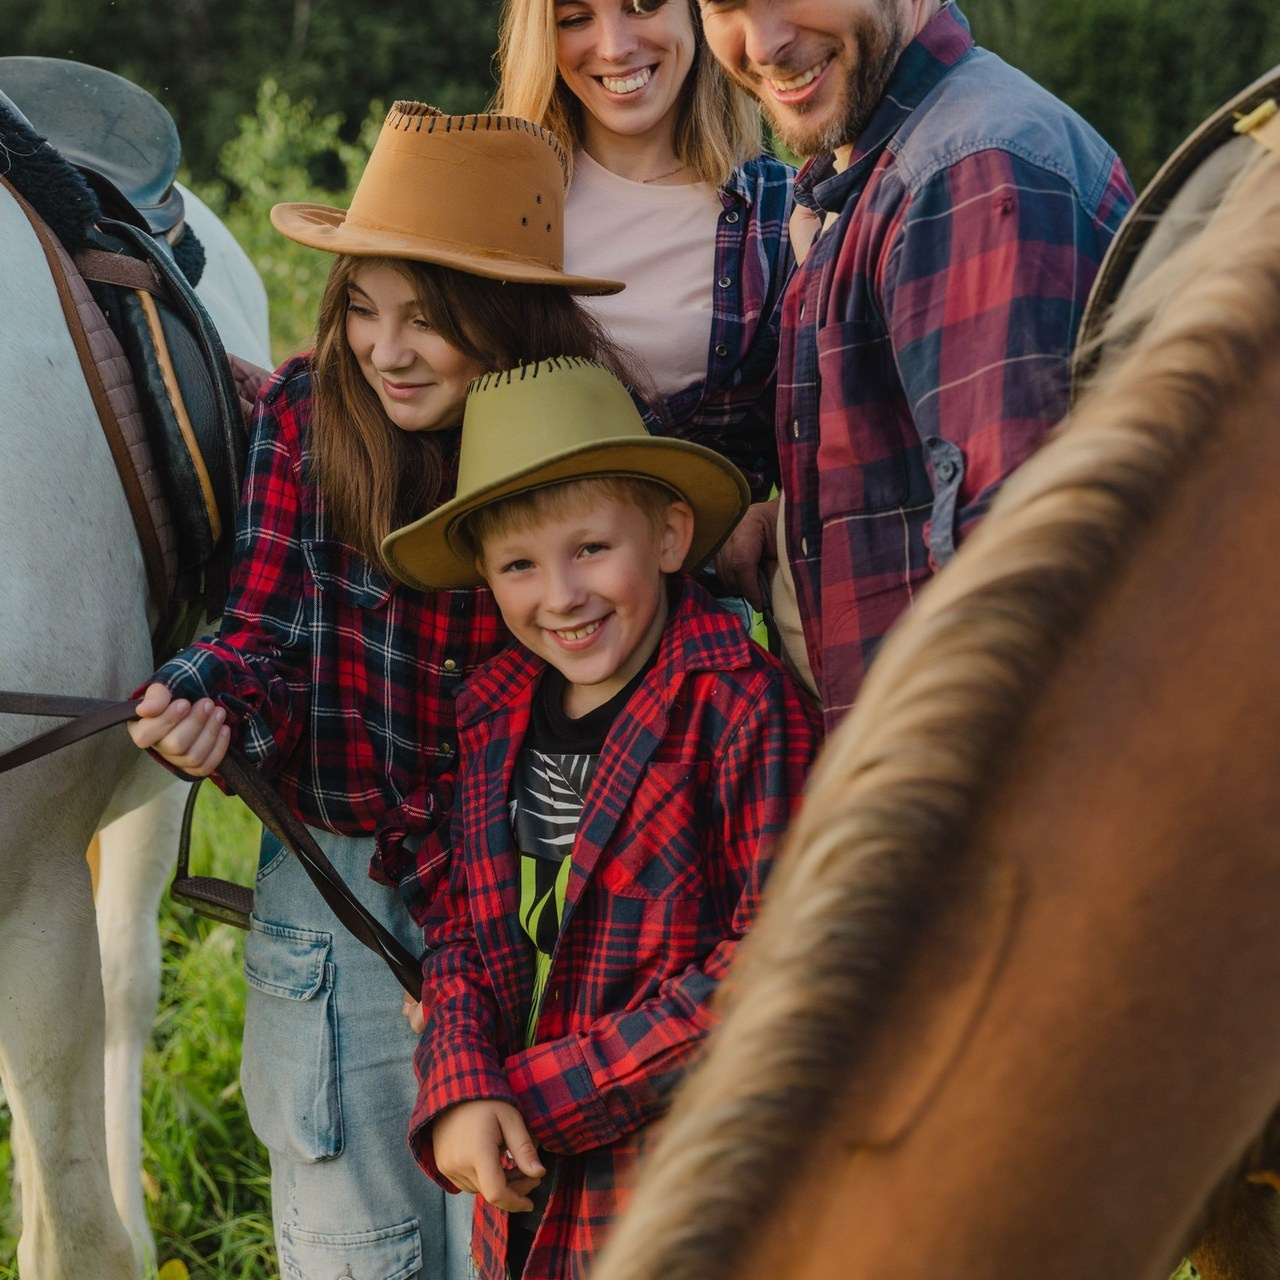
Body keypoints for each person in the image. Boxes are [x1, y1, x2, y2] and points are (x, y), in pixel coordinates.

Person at [127, 103, 636, 1280]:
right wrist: (209, 700)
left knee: (526, 1228)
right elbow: (263, 630)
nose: (385, 348)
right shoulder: (308, 414)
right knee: (356, 1240)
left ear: (505, 316)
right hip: (342, 885)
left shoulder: (577, 429)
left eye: (427, 318)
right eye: (363, 306)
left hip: (531, 882)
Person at [383, 357, 820, 1280]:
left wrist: (532, 1096)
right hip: (529, 1204)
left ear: (668, 536)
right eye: (519, 565)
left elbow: (773, 967)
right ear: (485, 577)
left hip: (686, 1186)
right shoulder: (490, 714)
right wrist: (461, 1083)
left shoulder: (738, 707)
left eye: (589, 549)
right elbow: (464, 932)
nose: (562, 596)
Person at [700, 0, 1136, 731]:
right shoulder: (879, 163)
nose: (764, 44)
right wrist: (795, 522)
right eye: (725, 5)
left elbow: (1012, 585)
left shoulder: (966, 177)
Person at [495, 0, 794, 502]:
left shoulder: (788, 213)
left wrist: (772, 516)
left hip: (720, 552)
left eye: (642, 5)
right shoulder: (497, 203)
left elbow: (830, 444)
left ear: (697, 12)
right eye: (575, 19)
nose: (615, 48)